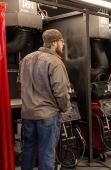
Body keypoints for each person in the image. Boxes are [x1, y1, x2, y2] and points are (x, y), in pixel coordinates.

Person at [18, 29, 71, 170]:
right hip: (47, 115)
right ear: (54, 43)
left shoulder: (26, 59)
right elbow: (61, 91)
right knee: (46, 152)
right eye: (61, 41)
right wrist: (64, 108)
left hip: (28, 114)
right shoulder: (55, 62)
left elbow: (20, 84)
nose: (63, 45)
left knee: (28, 148)